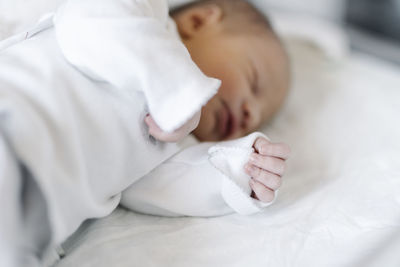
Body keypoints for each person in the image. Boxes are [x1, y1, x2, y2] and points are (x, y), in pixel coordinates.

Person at [0, 0, 289, 266]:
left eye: (258, 121)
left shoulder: (176, 140)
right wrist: (178, 91)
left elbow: (158, 190)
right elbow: (85, 20)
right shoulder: (146, 14)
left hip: (35, 225)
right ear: (199, 21)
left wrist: (241, 170)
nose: (252, 113)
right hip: (15, 122)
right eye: (253, 80)